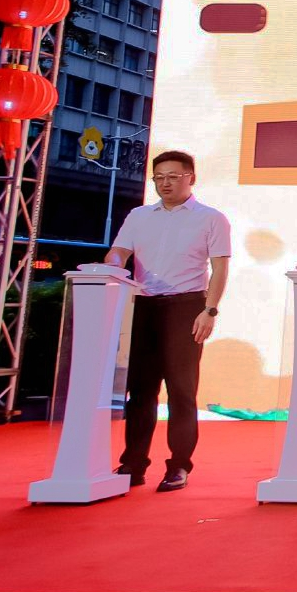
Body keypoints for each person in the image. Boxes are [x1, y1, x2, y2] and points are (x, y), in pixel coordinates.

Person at [106, 151, 231, 493]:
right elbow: (120, 252)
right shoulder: (139, 216)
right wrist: (112, 263)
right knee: (140, 391)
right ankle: (133, 464)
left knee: (181, 391)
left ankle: (178, 466)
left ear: (191, 178)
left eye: (174, 176)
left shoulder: (211, 218)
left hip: (186, 306)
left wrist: (210, 310)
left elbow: (220, 268)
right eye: (159, 177)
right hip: (143, 306)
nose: (166, 183)